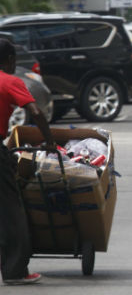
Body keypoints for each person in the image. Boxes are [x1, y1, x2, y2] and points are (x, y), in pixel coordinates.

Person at [0, 38, 55, 285]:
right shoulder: (10, 81)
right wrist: (50, 142)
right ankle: (14, 271)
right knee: (10, 211)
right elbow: (35, 112)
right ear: (11, 60)